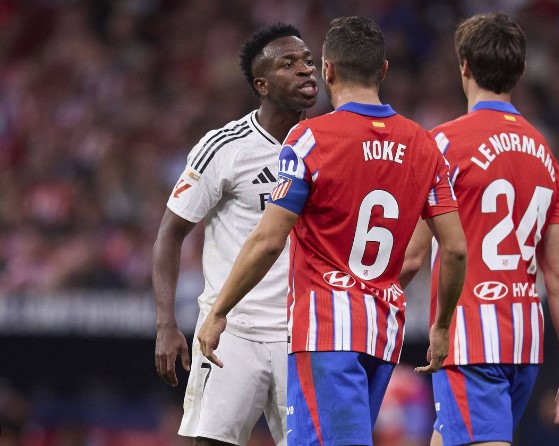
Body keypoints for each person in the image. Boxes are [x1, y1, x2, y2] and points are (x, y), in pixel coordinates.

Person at [197, 16, 467, 446]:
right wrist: (442, 325)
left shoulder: (309, 138)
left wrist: (219, 310)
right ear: (383, 71)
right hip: (384, 329)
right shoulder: (424, 145)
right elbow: (453, 249)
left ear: (328, 71)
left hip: (326, 327)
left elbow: (268, 240)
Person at [400, 12, 559, 445]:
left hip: (468, 337)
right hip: (525, 341)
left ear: (463, 66)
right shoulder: (546, 155)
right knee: (448, 437)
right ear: (521, 71)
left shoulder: (445, 144)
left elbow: (412, 255)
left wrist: (363, 306)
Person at [151, 23, 319, 446]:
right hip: (230, 332)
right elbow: (170, 235)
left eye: (309, 62)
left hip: (303, 334)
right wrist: (166, 324)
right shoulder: (224, 147)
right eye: (289, 63)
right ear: (261, 84)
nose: (306, 71)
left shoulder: (328, 144)